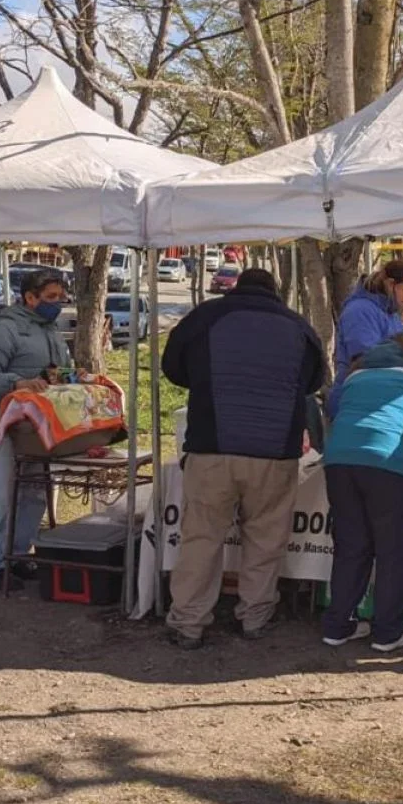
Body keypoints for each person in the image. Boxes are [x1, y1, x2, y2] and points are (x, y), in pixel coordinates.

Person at [162, 268, 324, 648]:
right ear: (275, 291)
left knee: (201, 537)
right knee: (265, 539)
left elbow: (173, 367)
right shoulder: (298, 326)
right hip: (274, 452)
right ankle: (255, 616)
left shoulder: (205, 316)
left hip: (212, 448)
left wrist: (206, 380)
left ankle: (188, 622)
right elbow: (313, 383)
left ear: (237, 288)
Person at [321, 333, 403, 653]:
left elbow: (335, 412)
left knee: (351, 546)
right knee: (394, 551)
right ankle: (387, 632)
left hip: (339, 461)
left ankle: (337, 625)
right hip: (390, 463)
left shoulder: (355, 375)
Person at [0, 269, 70, 591]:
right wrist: (17, 383)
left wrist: (70, 376)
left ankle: (18, 553)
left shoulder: (51, 330)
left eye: (61, 296)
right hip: (6, 427)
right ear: (30, 297)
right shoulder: (5, 329)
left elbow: (56, 370)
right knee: (1, 496)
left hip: (40, 428)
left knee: (34, 493)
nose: (59, 303)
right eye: (51, 297)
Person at [331, 260, 403, 412]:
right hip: (357, 398)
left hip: (377, 395)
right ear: (391, 284)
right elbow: (366, 358)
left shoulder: (391, 314)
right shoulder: (359, 311)